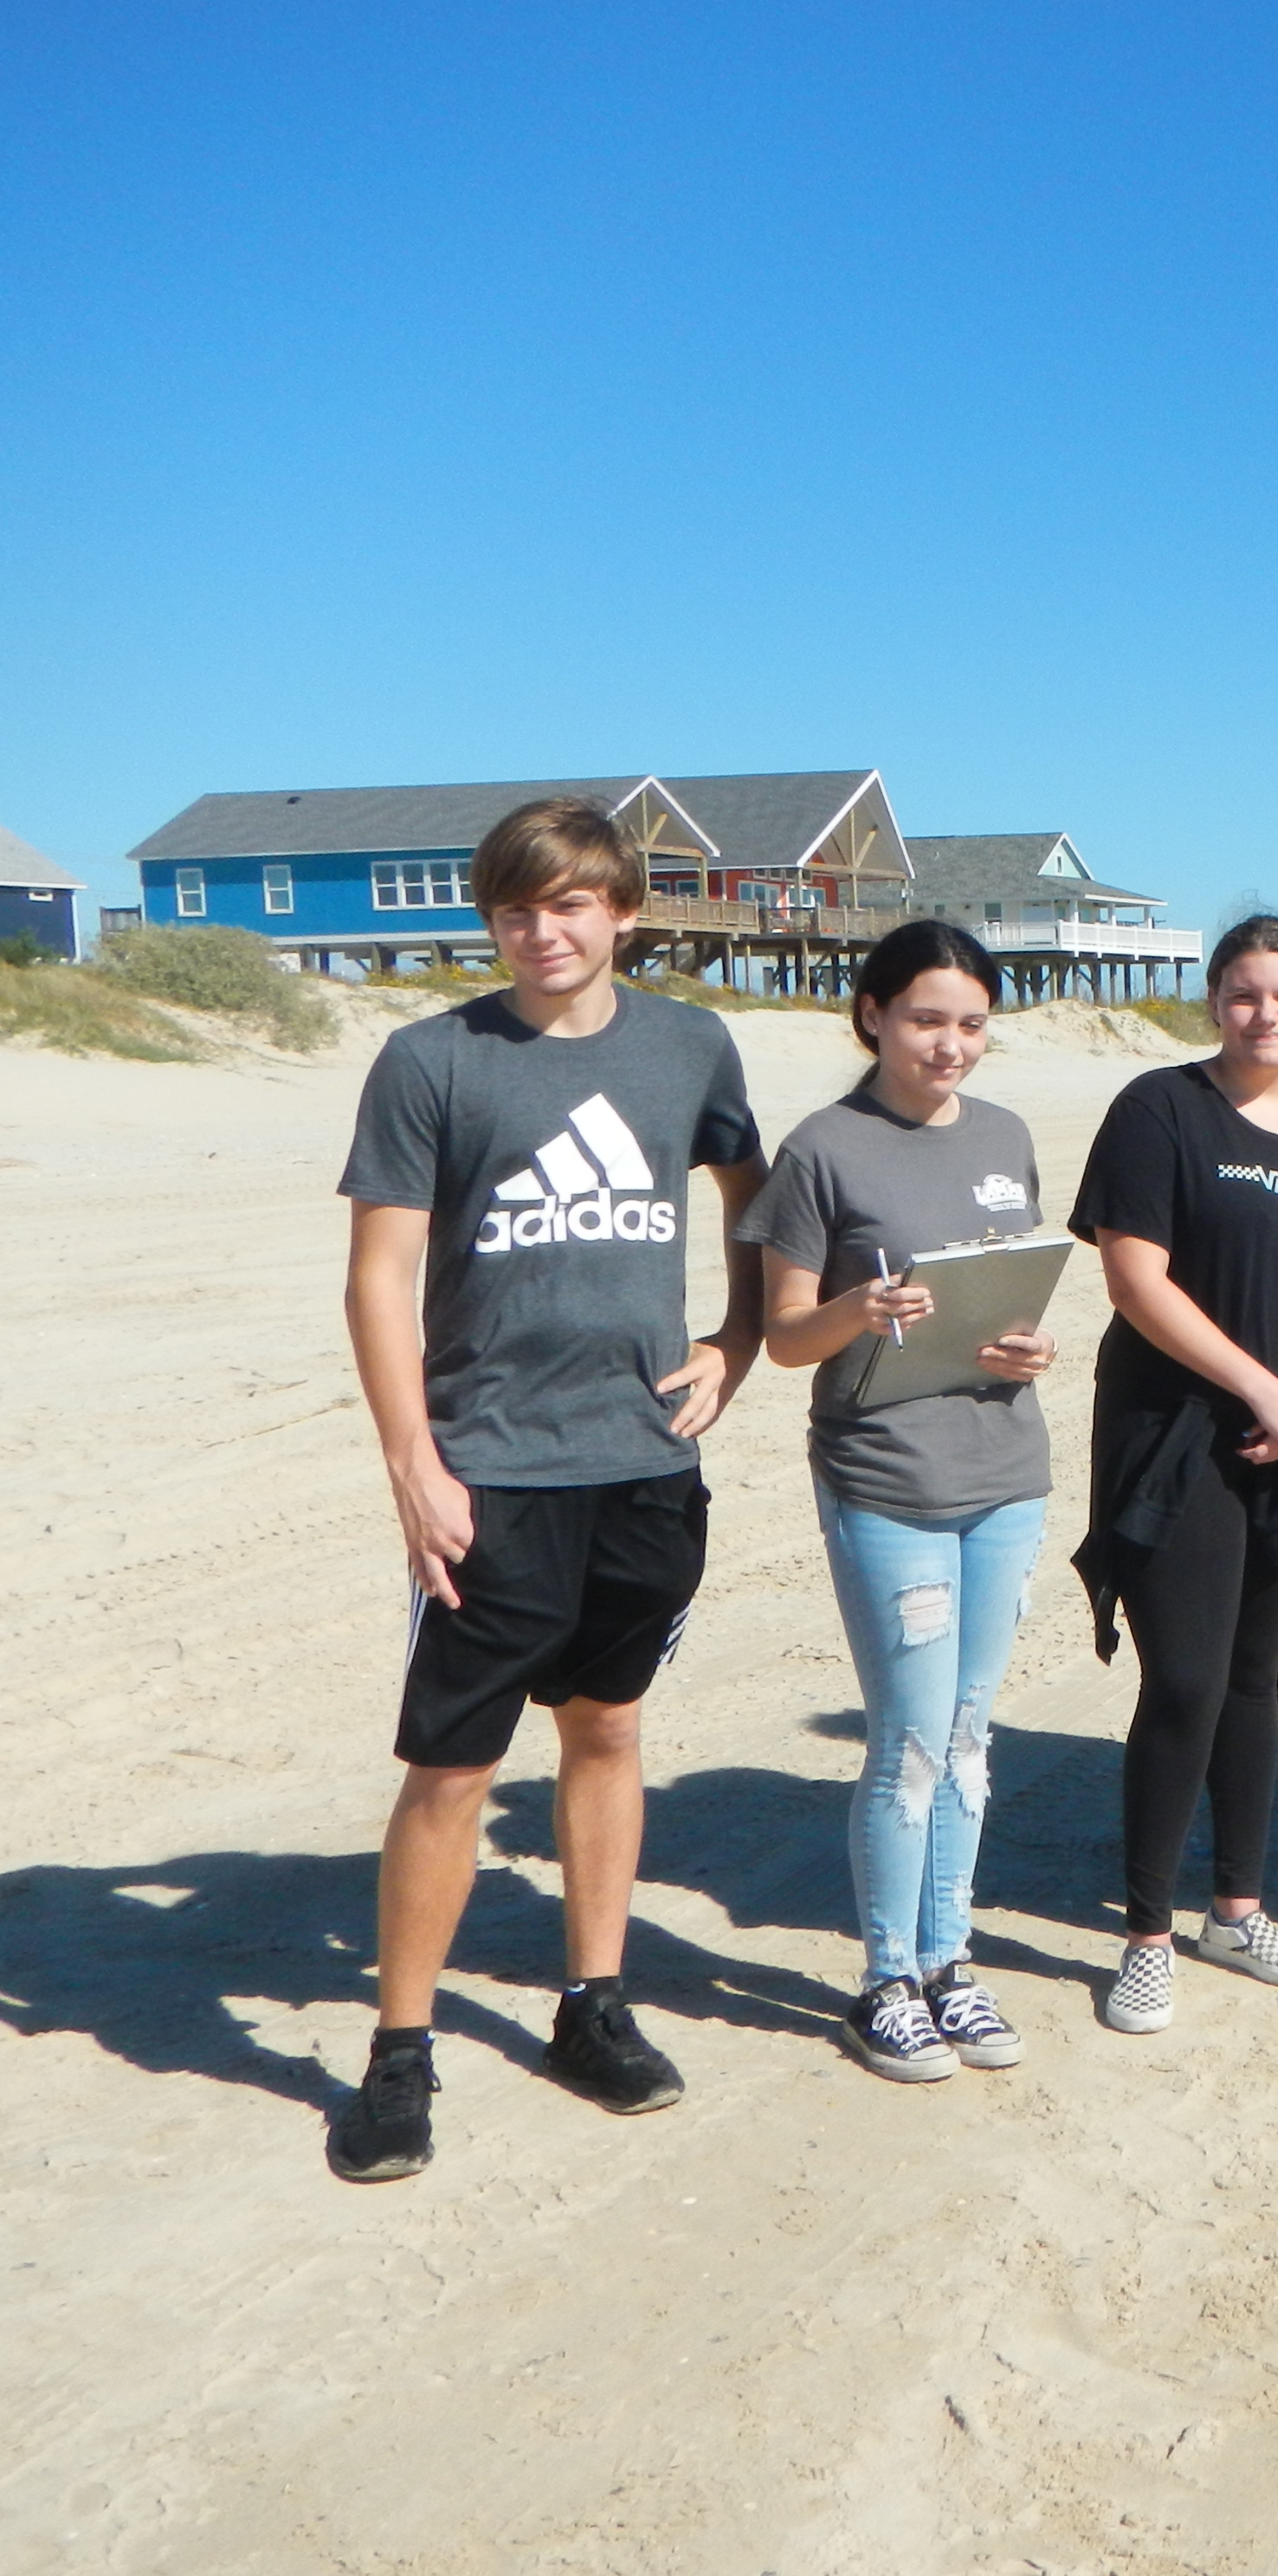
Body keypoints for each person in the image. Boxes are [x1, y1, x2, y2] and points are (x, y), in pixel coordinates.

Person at [325, 797, 765, 2180]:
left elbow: (756, 1206)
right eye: (518, 907)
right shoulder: (430, 1059)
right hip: (492, 1470)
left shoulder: (691, 1045)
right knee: (451, 1770)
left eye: (571, 904)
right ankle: (400, 2053)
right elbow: (380, 1277)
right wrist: (414, 1462)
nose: (544, 930)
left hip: (642, 1465)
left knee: (609, 1733)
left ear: (625, 910)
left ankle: (594, 2003)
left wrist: (736, 1344)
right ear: (491, 918)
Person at [741, 922, 1057, 2081]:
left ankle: (950, 1964)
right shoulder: (825, 1148)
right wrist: (863, 1311)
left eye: (972, 1024)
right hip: (886, 1476)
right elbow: (783, 1340)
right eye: (928, 1019)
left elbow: (1010, 1288)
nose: (951, 1045)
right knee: (911, 1741)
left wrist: (1027, 1346)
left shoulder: (1007, 1136)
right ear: (871, 1014)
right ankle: (884, 1979)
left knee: (971, 1739)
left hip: (1005, 1472)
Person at [1070, 915, 1278, 2034]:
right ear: (1216, 1001)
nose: (1267, 1015)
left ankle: (1236, 1910)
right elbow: (1135, 1279)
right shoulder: (1160, 1110)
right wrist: (1263, 1390)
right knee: (1186, 1683)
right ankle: (1147, 1935)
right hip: (1179, 1440)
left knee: (1255, 1680)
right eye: (1246, 995)